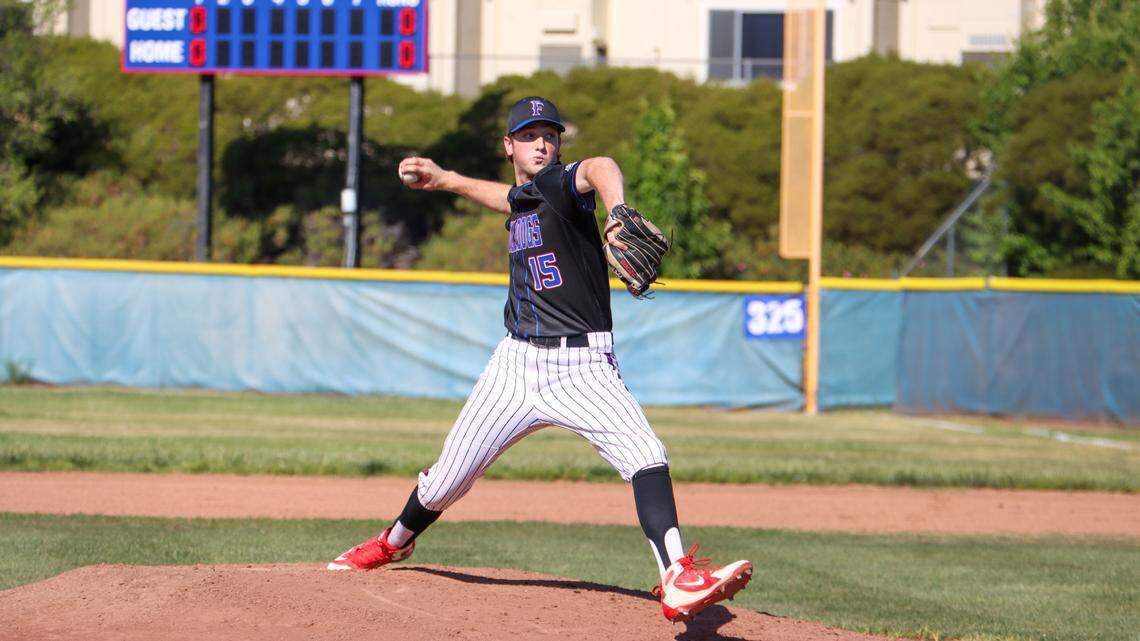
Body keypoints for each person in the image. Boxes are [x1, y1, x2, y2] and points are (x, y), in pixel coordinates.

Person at [327, 96, 751, 623]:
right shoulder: (528, 197)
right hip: (516, 365)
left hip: (584, 368)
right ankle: (394, 542)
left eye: (549, 134)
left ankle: (677, 575)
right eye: (529, 135)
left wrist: (617, 210)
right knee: (445, 481)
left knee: (646, 453)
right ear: (509, 146)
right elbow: (507, 199)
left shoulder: (560, 183)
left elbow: (599, 168)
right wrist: (445, 179)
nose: (542, 143)